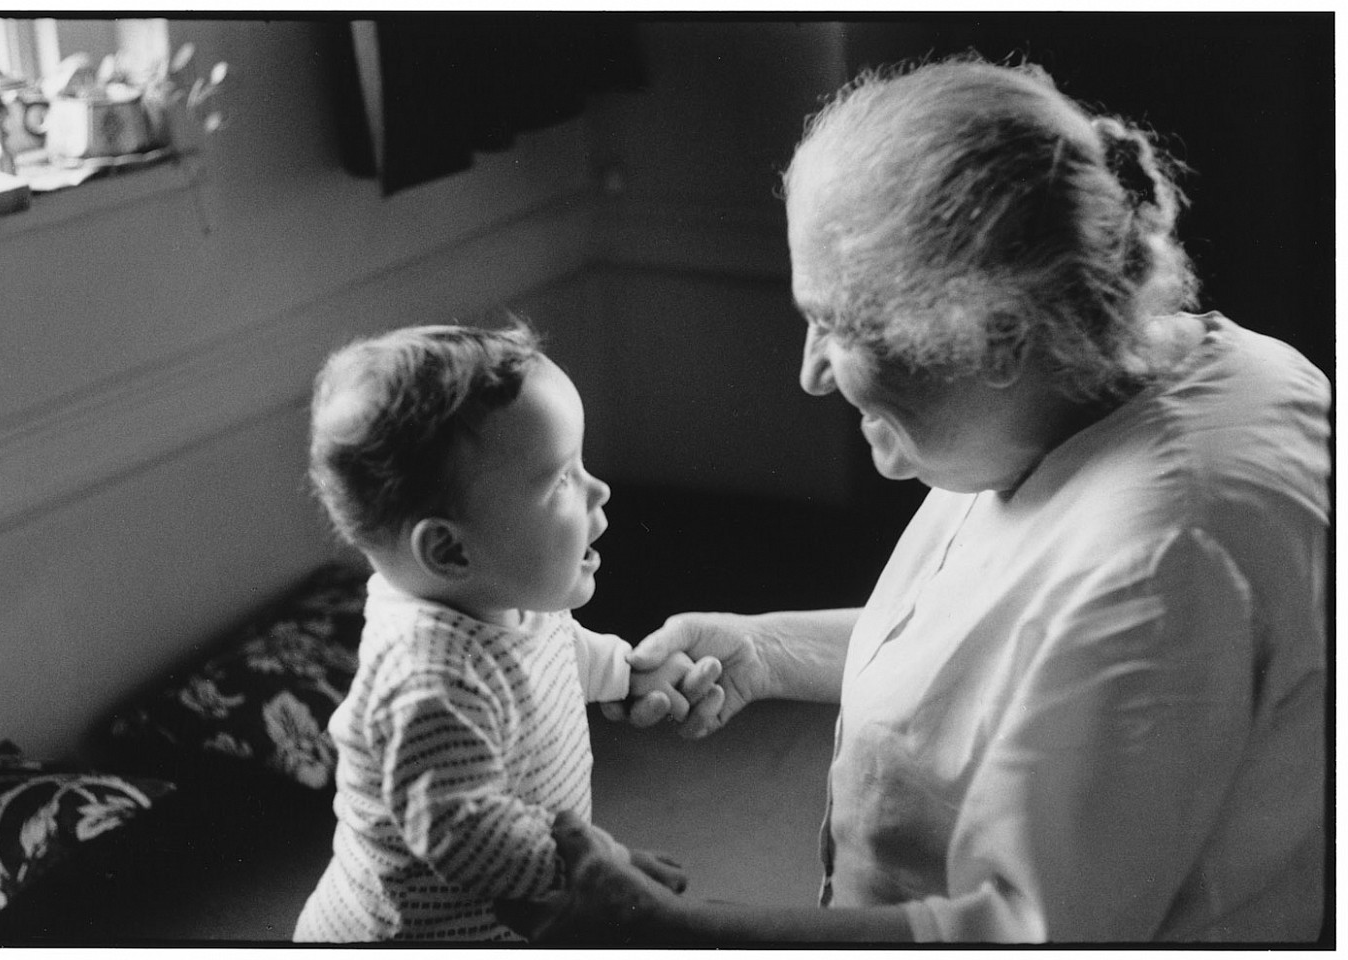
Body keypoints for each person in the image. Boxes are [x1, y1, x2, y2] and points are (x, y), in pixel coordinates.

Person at [498, 58, 1331, 944]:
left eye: (841, 328)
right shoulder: (1130, 377)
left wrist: (675, 929)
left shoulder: (1163, 563)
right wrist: (766, 648)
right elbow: (1007, 645)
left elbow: (1024, 936)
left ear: (1000, 338)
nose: (810, 374)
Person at [293, 321, 720, 942]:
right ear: (449, 549)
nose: (598, 489)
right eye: (561, 481)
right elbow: (466, 833)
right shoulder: (430, 683)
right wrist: (601, 868)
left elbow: (553, 650)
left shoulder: (501, 596)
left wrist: (627, 671)